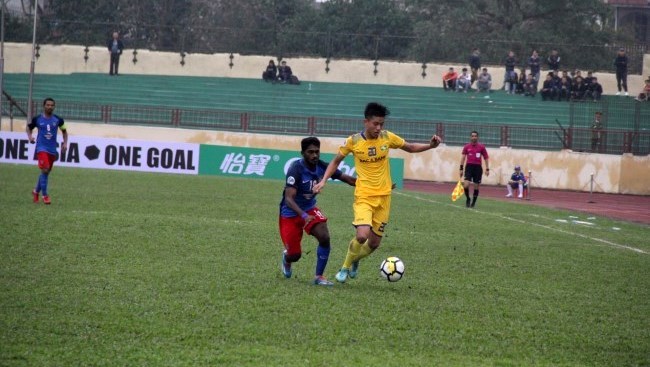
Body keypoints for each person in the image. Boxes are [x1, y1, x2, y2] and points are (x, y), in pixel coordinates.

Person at [312, 102, 442, 283]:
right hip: (364, 196)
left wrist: (430, 146)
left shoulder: (387, 137)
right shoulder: (354, 141)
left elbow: (410, 147)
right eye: (375, 124)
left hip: (384, 198)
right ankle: (345, 267)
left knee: (373, 244)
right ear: (366, 122)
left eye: (382, 124)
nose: (379, 128)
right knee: (362, 235)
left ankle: (356, 259)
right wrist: (323, 180)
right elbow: (335, 162)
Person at [279, 137, 356, 286]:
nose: (314, 155)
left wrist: (377, 187)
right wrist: (303, 215)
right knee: (295, 255)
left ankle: (319, 276)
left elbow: (348, 179)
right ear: (302, 153)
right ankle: (287, 259)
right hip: (290, 214)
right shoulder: (296, 169)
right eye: (310, 152)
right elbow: (289, 198)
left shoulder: (322, 167)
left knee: (324, 237)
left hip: (309, 209)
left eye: (317, 152)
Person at [27, 98, 68, 205]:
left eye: (52, 105)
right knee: (45, 170)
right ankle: (45, 196)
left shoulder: (58, 119)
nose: (50, 107)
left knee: (46, 172)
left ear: (54, 107)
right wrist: (30, 137)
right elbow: (29, 128)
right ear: (44, 106)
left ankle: (36, 191)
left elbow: (64, 131)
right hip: (41, 148)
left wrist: (65, 143)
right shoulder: (37, 119)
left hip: (52, 149)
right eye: (48, 105)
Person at [460, 130, 489, 208]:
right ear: (470, 137)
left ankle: (473, 203)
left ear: (477, 137)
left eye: (475, 136)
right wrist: (461, 169)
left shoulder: (482, 147)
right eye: (472, 136)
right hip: (469, 167)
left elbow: (486, 158)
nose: (474, 137)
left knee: (476, 186)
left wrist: (487, 169)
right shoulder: (466, 147)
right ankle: (468, 199)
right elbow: (463, 158)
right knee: (465, 185)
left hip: (478, 168)